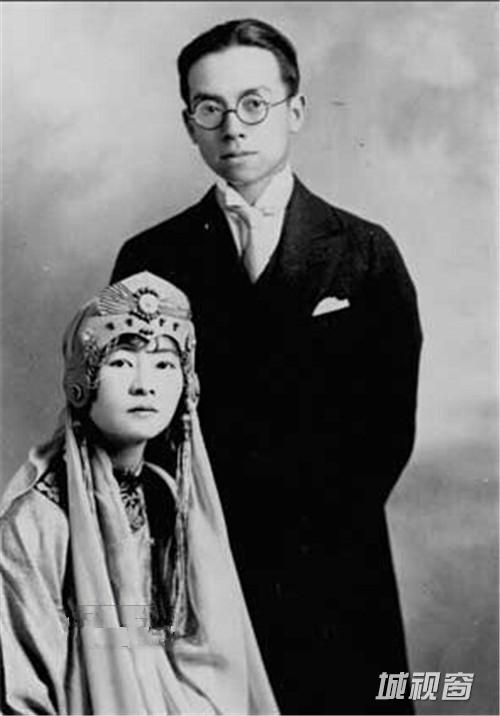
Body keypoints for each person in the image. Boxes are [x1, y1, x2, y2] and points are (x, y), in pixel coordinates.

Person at [111, 18, 423, 715]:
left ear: (296, 110)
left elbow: (386, 430)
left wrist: (310, 534)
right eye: (210, 108)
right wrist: (193, 543)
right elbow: (130, 425)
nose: (233, 127)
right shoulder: (149, 260)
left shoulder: (365, 252)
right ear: (189, 125)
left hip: (334, 568)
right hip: (198, 571)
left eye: (254, 104)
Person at [0, 271, 278, 715]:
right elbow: (20, 695)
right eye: (121, 363)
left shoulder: (167, 498)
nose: (144, 384)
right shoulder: (37, 520)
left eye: (164, 364)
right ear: (83, 380)